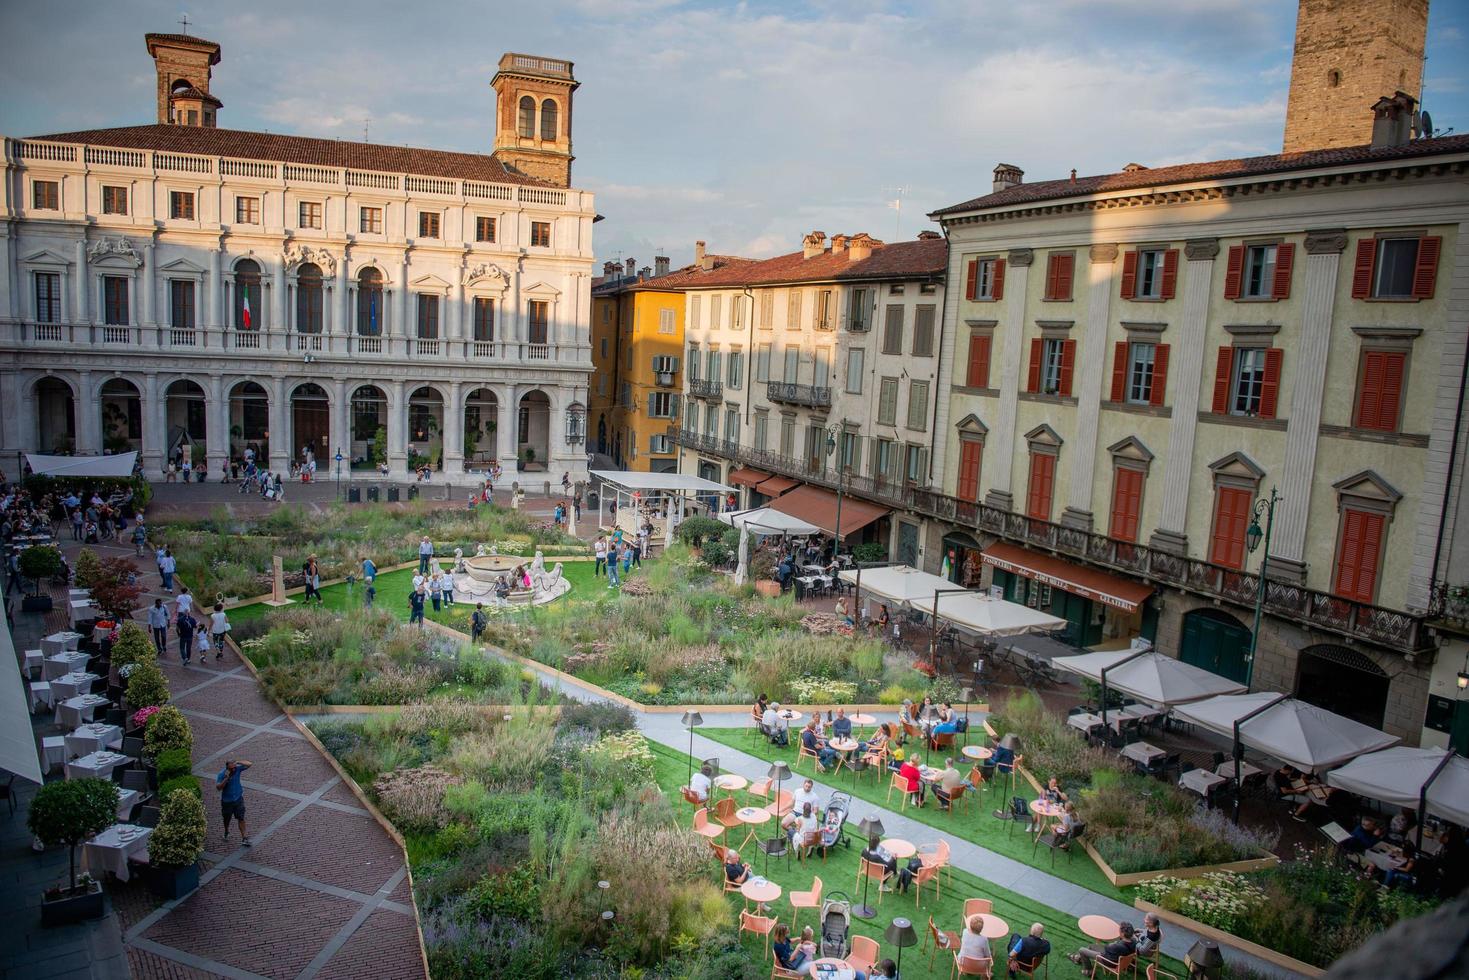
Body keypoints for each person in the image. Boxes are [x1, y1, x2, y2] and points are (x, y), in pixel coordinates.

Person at [1070, 921, 1137, 977]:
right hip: (1116, 957)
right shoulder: (1134, 941)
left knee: (1081, 950)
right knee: (1091, 946)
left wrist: (1113, 943)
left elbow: (1107, 947)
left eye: (1119, 930)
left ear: (1122, 933)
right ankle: (1077, 958)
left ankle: (1088, 970)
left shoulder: (1117, 946)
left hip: (1108, 960)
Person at [215, 759, 253, 846]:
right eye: (231, 769)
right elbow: (218, 788)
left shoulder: (237, 769)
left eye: (234, 768)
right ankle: (226, 831)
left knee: (241, 818)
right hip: (227, 802)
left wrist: (238, 762)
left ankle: (244, 838)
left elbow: (250, 764)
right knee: (226, 819)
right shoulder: (222, 774)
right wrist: (226, 779)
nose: (233, 770)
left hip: (238, 799)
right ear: (227, 768)